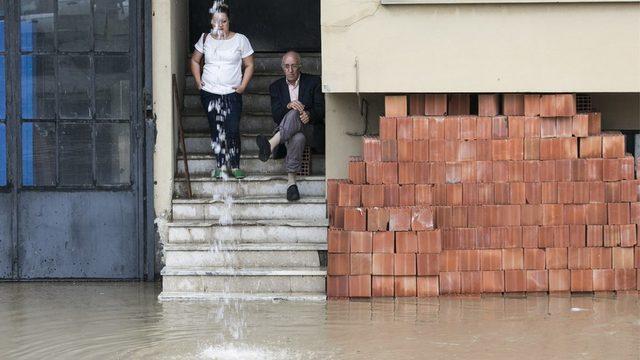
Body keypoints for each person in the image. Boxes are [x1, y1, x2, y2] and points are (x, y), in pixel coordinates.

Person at [190, 3, 254, 179]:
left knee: (232, 128)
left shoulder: (240, 39)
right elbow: (195, 61)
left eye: (224, 21)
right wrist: (198, 81)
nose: (220, 25)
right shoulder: (205, 39)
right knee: (216, 129)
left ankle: (234, 165)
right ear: (211, 22)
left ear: (229, 21)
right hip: (210, 91)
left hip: (232, 93)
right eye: (217, 22)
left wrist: (242, 86)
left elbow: (249, 65)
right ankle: (220, 165)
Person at [256, 51, 325, 201]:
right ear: (283, 68)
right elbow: (276, 116)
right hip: (290, 133)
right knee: (298, 137)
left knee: (297, 114)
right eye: (287, 66)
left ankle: (271, 143)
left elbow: (321, 110)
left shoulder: (313, 82)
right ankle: (291, 182)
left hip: (310, 130)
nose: (290, 70)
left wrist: (309, 115)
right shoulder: (276, 87)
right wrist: (288, 105)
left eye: (294, 66)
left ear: (300, 66)